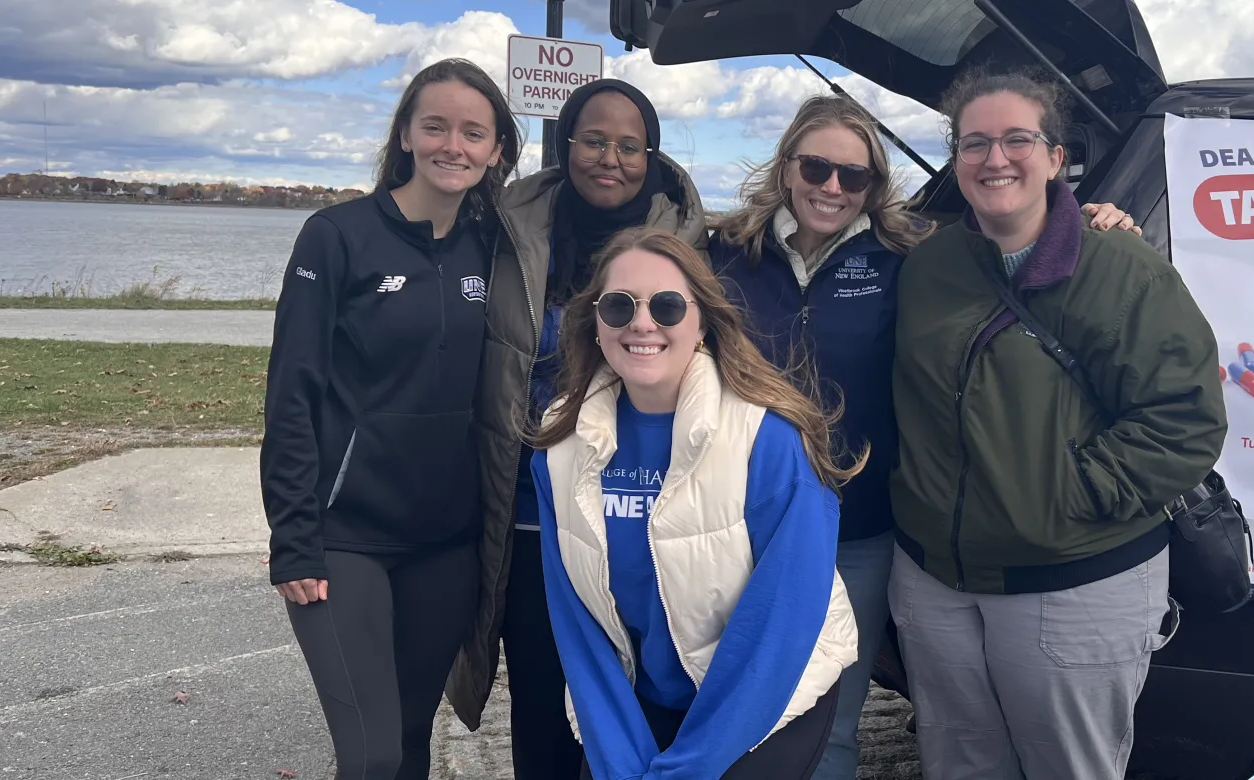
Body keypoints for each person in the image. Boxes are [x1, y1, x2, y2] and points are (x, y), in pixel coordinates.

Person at [707, 94, 1138, 780]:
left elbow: (1012, 250)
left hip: (862, 528)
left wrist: (1085, 222)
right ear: (787, 167)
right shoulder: (720, 254)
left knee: (832, 724)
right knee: (727, 709)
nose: (833, 188)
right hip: (736, 525)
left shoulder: (908, 257)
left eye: (855, 177)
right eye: (817, 168)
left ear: (876, 187)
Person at [887, 67, 1229, 780]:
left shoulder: (1123, 268)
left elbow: (1185, 419)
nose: (995, 158)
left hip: (1072, 579)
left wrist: (1065, 499)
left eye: (1018, 138)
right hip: (937, 582)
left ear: (1055, 156)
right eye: (974, 142)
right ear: (956, 160)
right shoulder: (929, 265)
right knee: (959, 767)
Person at [441, 77, 709, 780]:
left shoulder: (690, 247)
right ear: (565, 145)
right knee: (539, 697)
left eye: (629, 144)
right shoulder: (506, 232)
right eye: (593, 139)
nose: (609, 158)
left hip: (636, 507)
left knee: (640, 699)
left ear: (650, 155)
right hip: (534, 516)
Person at [260, 57, 520, 779]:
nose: (453, 146)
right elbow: (293, 394)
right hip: (344, 538)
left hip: (446, 541)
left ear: (497, 149)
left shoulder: (496, 247)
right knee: (370, 754)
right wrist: (295, 539)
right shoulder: (337, 236)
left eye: (474, 133)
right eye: (435, 126)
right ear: (405, 132)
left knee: (408, 741)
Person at [528, 227, 859, 779]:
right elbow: (575, 622)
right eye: (619, 306)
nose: (642, 322)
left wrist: (689, 768)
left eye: (667, 305)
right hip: (644, 691)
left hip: (768, 688)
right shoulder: (562, 441)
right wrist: (617, 755)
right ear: (594, 322)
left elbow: (781, 622)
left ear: (702, 320)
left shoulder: (767, 437)